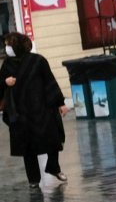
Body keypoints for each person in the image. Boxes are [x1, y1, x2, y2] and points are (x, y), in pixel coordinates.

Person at [1, 32, 69, 191]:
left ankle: (54, 168)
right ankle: (33, 179)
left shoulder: (38, 61)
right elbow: (0, 84)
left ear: (16, 45)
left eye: (9, 45)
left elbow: (50, 81)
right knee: (27, 148)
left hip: (42, 109)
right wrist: (5, 81)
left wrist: (60, 103)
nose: (7, 48)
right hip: (20, 112)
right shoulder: (7, 65)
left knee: (53, 140)